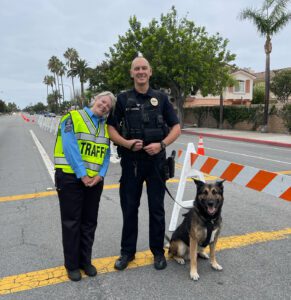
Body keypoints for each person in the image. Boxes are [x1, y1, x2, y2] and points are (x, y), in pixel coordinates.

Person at [107, 56, 181, 271]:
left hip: (156, 163)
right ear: (132, 73)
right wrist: (126, 143)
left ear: (150, 72)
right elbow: (111, 129)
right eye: (136, 68)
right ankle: (127, 252)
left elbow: (176, 127)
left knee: (157, 209)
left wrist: (162, 144)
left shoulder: (161, 98)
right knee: (129, 209)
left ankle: (158, 252)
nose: (140, 71)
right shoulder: (122, 99)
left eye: (144, 68)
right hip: (131, 163)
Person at [54, 91, 116, 281]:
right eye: (103, 102)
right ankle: (72, 265)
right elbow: (69, 147)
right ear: (95, 100)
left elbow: (106, 154)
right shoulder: (72, 117)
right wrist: (82, 174)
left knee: (89, 222)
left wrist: (101, 174)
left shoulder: (105, 127)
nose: (104, 106)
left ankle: (85, 261)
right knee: (72, 222)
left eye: (108, 106)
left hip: (94, 181)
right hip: (71, 178)